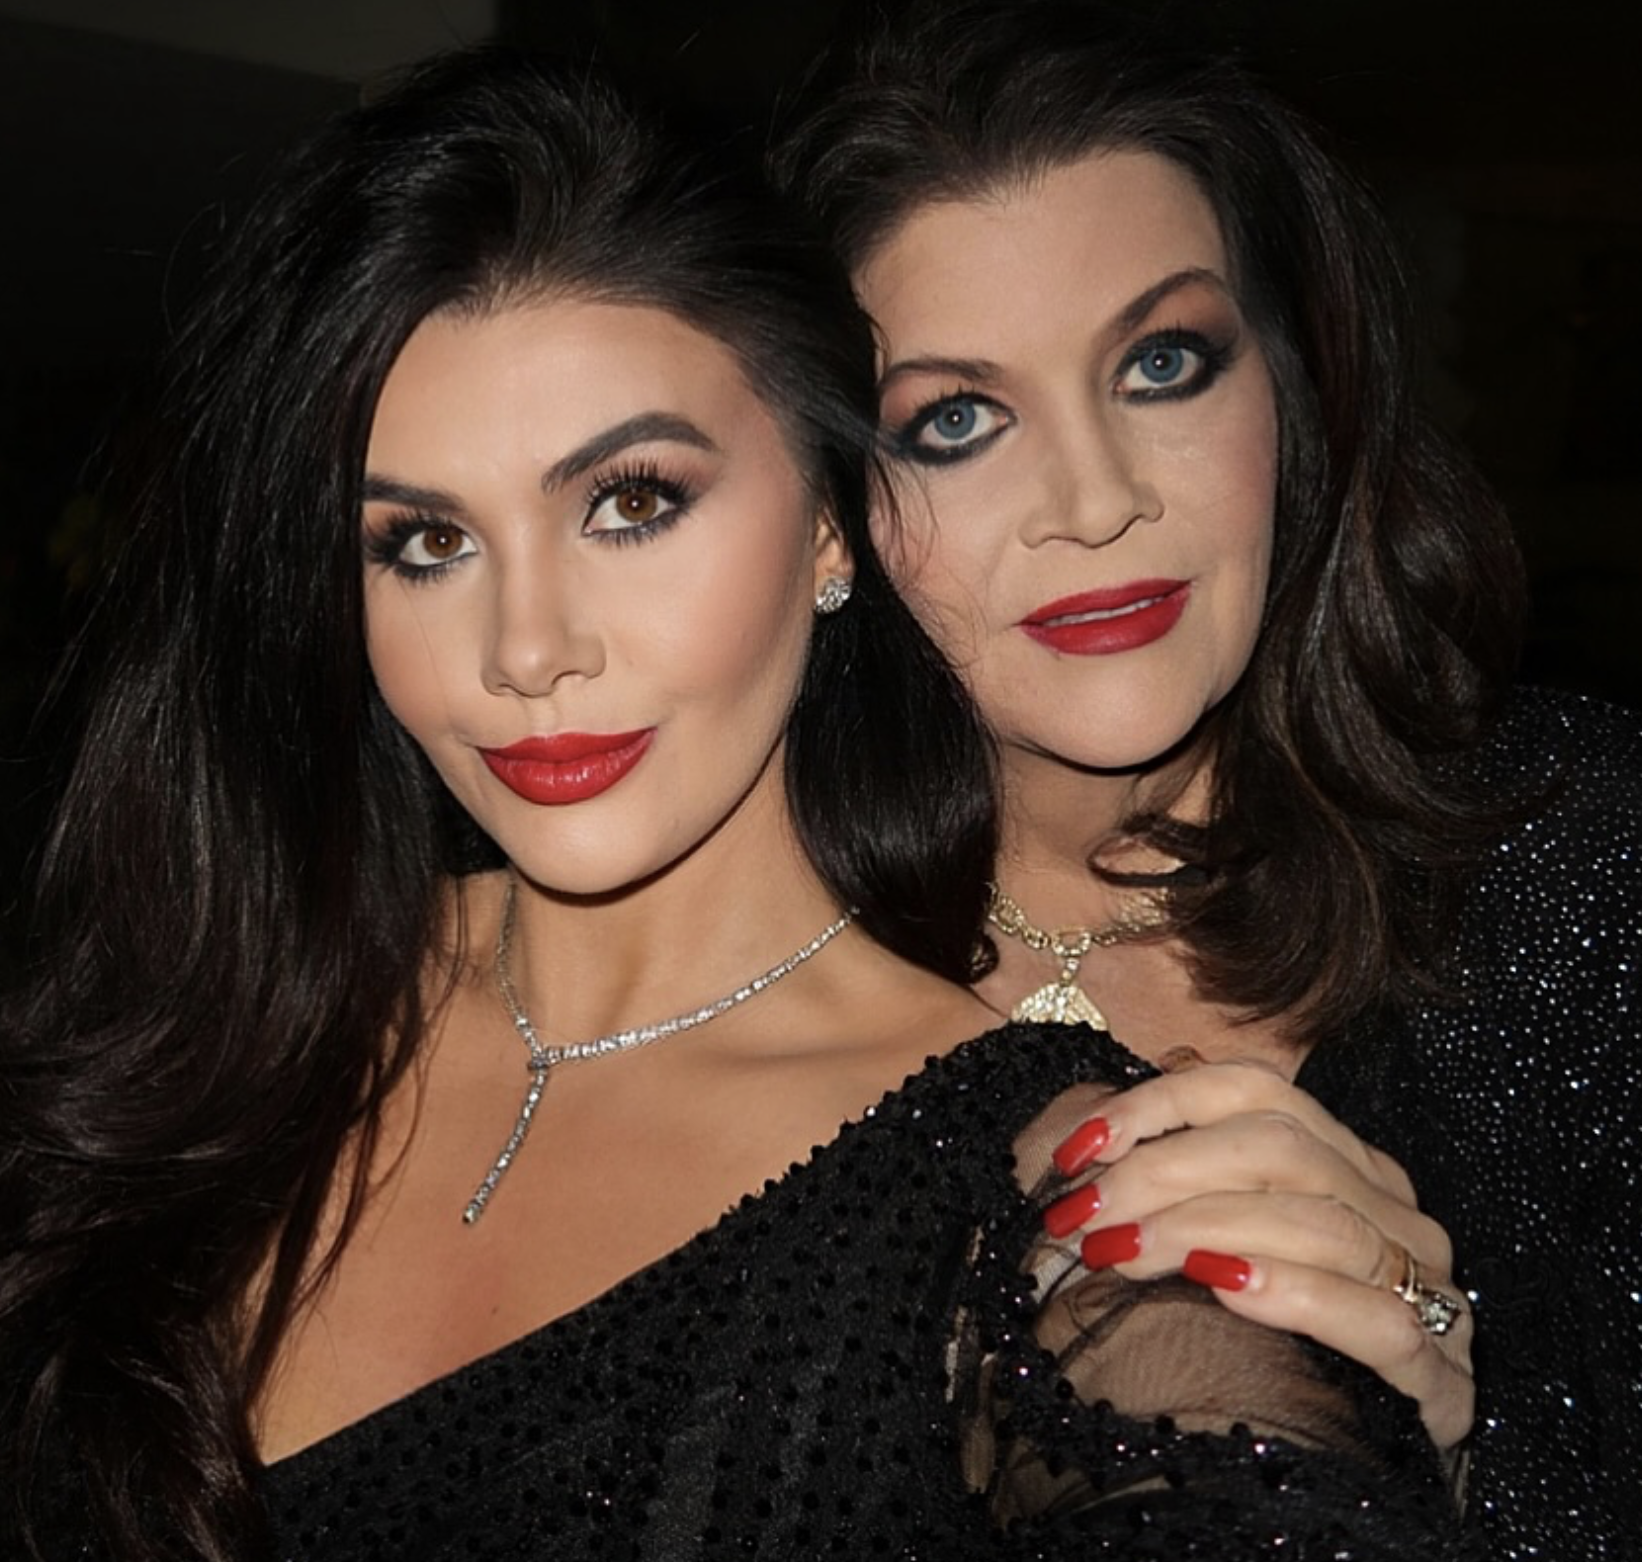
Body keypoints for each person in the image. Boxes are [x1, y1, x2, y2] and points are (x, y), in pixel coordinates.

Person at [0, 44, 1476, 1562]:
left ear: (835, 524)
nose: (527, 652)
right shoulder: (198, 1010)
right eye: (425, 543)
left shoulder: (1023, 1182)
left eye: (631, 501)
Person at [775, 2, 1642, 1556]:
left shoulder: (1580, 851)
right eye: (955, 421)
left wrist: (1455, 1440)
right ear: (823, 506)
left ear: (1289, 402)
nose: (1097, 501)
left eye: (1162, 362)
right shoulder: (715, 979)